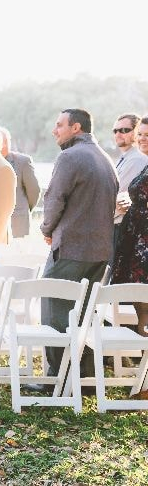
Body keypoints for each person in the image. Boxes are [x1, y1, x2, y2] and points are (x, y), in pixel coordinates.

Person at [40, 109, 118, 382]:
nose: (55, 130)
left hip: (72, 248)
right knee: (84, 312)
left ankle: (59, 378)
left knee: (56, 309)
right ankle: (83, 377)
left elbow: (54, 199)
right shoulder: (105, 158)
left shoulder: (69, 156)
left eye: (59, 125)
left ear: (76, 127)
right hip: (99, 251)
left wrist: (46, 229)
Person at [113, 116, 148, 335]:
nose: (143, 139)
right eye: (141, 134)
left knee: (145, 303)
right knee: (140, 304)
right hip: (135, 239)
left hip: (145, 242)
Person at [112, 113, 148, 252]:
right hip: (133, 231)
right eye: (140, 134)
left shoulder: (138, 160)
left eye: (124, 130)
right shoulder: (142, 163)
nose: (142, 139)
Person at [0, 127, 40, 239]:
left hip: (17, 221)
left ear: (5, 142)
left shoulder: (23, 161)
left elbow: (34, 191)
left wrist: (24, 208)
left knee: (18, 254)